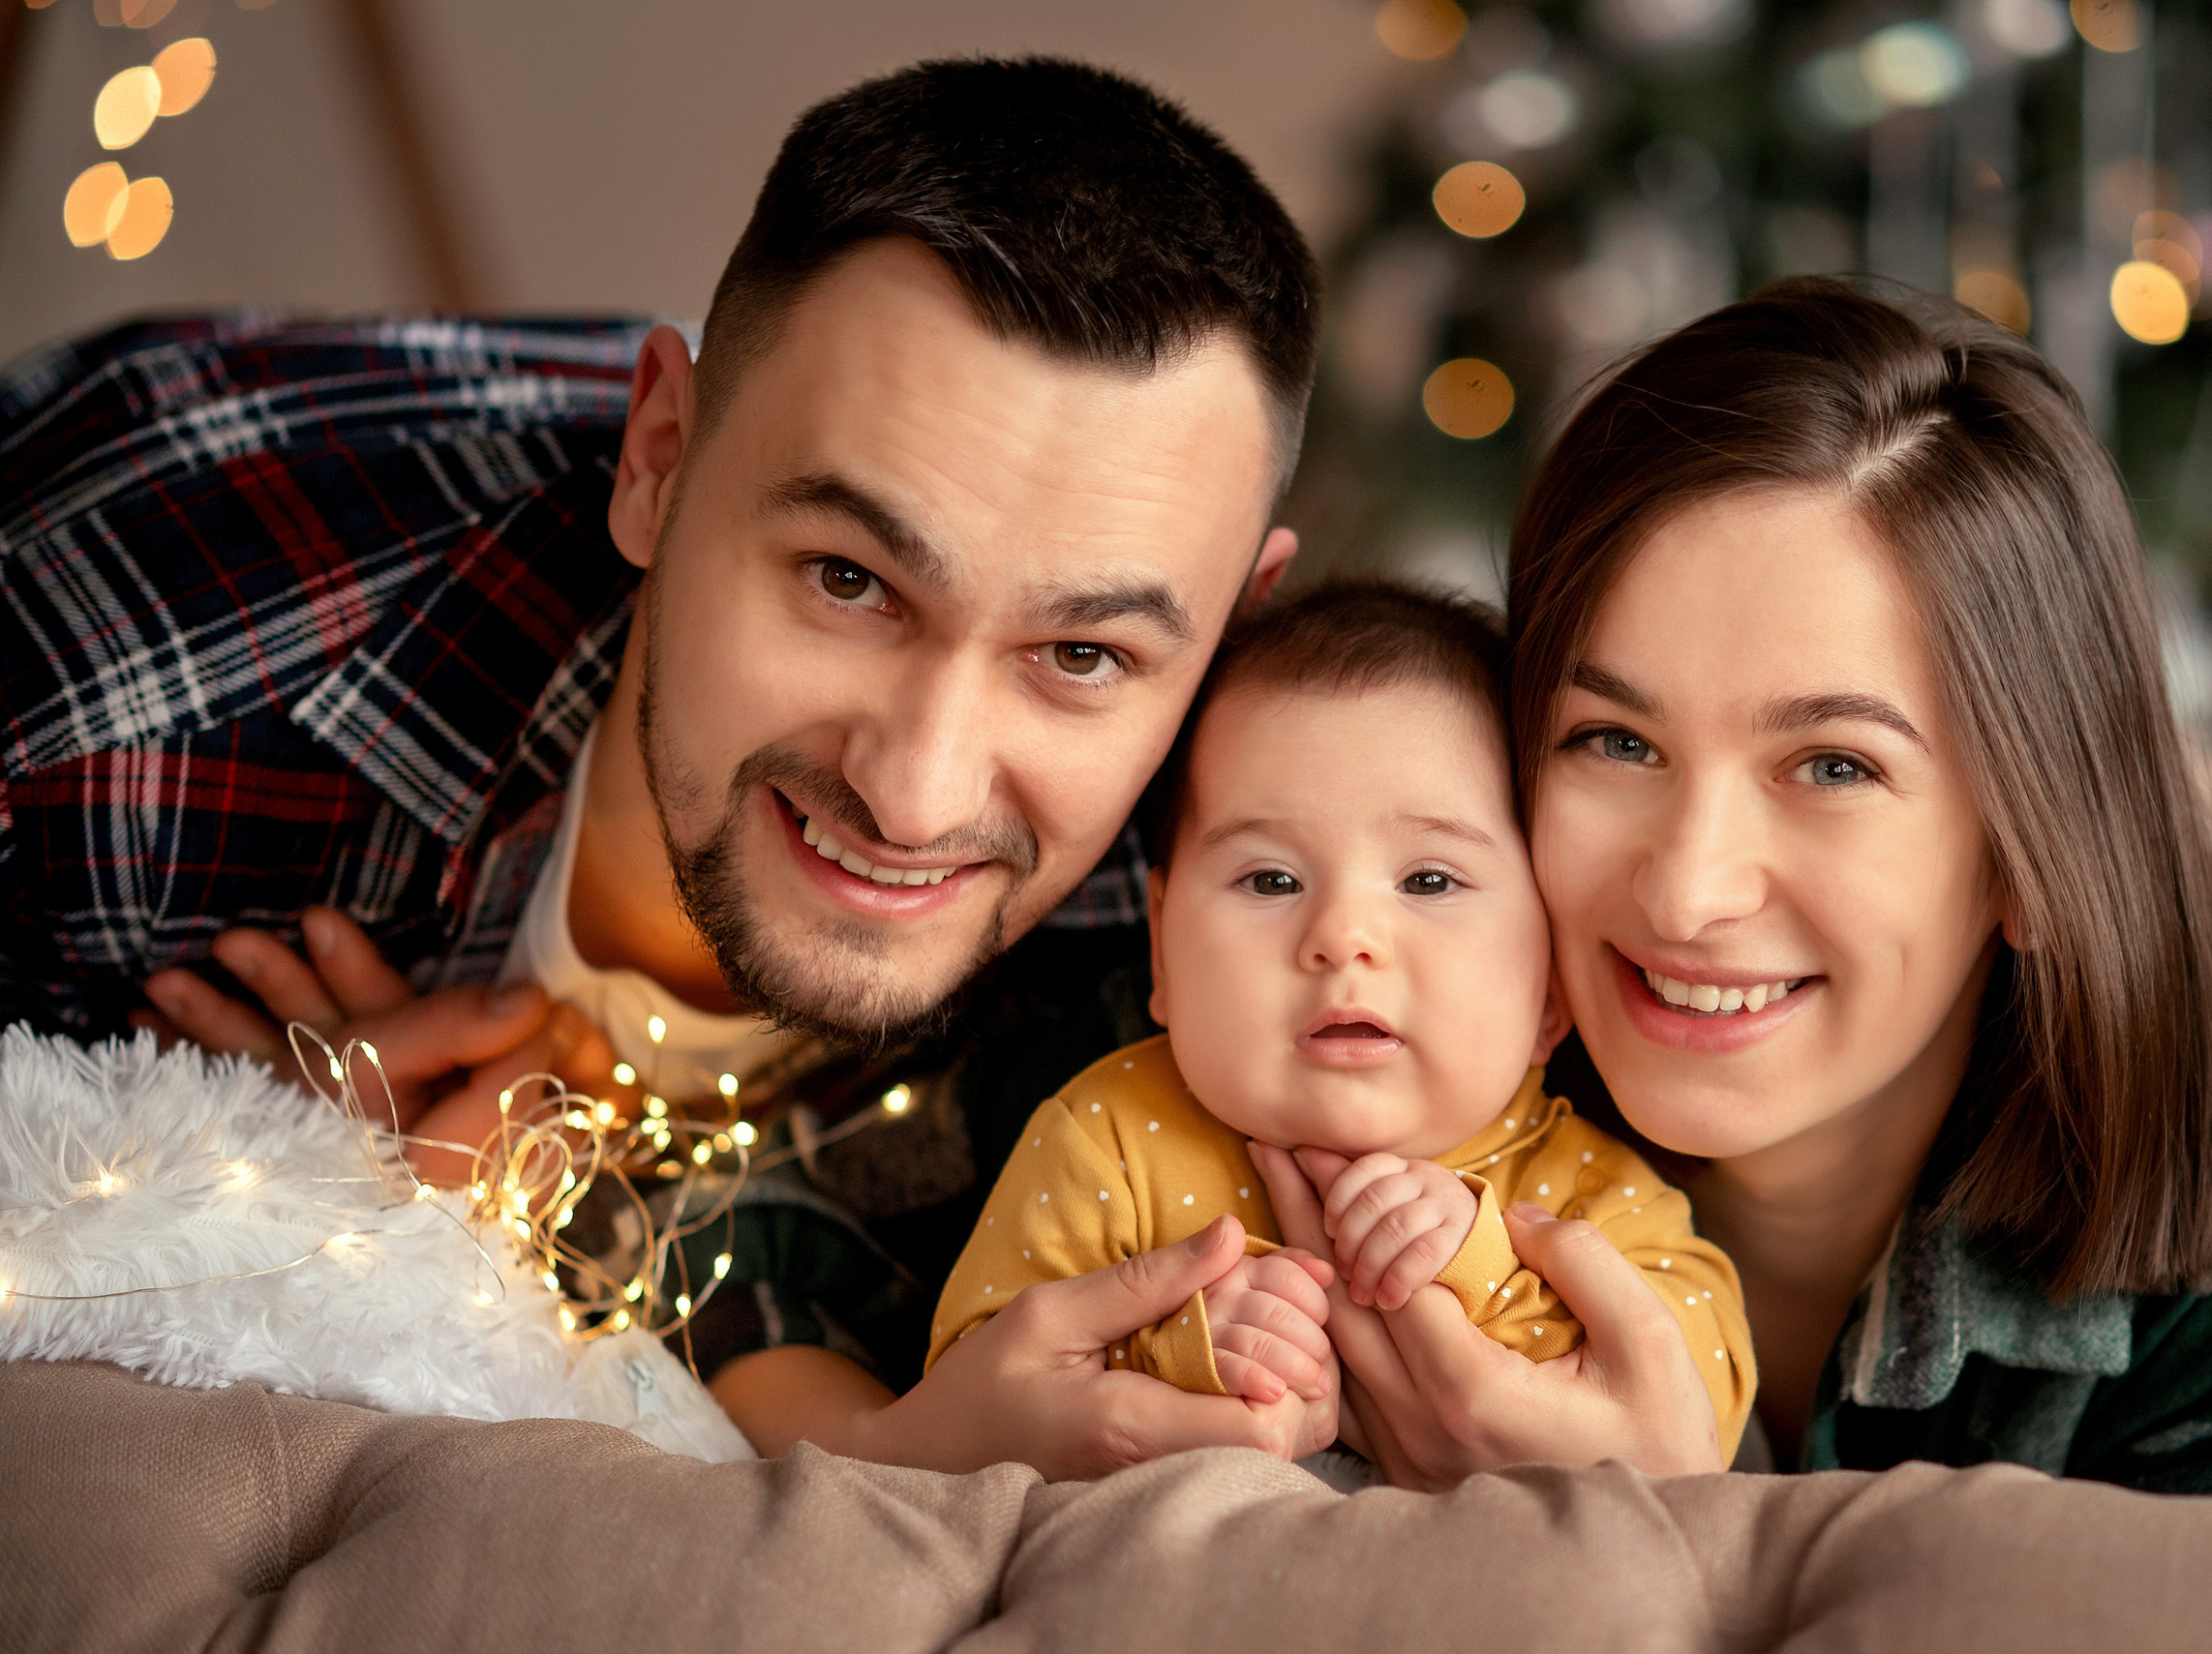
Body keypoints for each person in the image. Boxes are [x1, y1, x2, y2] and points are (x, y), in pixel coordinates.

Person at [0, 56, 1355, 1481]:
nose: (920, 794)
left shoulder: (1248, 911)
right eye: (849, 579)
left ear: (1229, 634)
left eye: (1081, 656)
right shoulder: (111, 724)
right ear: (657, 456)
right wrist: (216, 1188)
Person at [1253, 278, 2212, 1515]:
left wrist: (1667, 1542)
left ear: (2030, 850)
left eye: (1833, 765)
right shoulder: (1327, 1039)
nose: (1686, 889)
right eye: (1614, 740)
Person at [729, 582, 1751, 1465]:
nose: (1343, 935)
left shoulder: (1574, 1184)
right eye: (1269, 877)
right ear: (1163, 952)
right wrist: (1186, 1347)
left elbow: (1697, 1381)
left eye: (1429, 879)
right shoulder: (1108, 1135)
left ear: (1549, 993)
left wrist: (1475, 1257)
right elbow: (984, 1378)